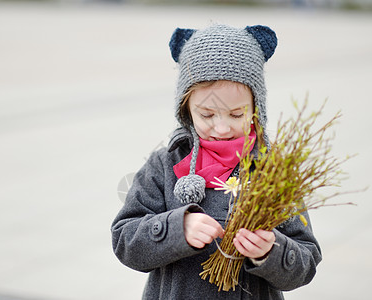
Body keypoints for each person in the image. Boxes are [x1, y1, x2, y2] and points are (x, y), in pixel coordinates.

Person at [111, 24, 322, 299]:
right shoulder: (164, 165)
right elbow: (125, 241)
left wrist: (271, 250)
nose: (221, 128)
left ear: (257, 109)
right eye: (207, 115)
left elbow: (305, 262)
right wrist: (176, 229)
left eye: (236, 114)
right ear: (186, 109)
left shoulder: (272, 172)